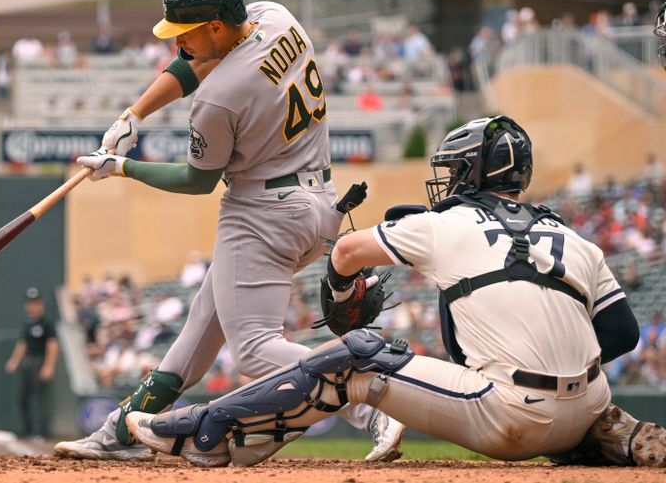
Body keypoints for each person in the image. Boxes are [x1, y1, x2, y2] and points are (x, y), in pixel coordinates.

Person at [126, 116, 665, 468]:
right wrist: (564, 375)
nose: (447, 181)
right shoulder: (574, 236)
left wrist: (339, 294)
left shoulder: (443, 224)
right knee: (561, 394)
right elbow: (622, 332)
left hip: (512, 418)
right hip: (590, 405)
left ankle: (206, 431)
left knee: (356, 358)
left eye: (455, 170)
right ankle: (601, 434)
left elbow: (344, 252)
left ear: (473, 172)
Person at [54, 0, 404, 462]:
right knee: (200, 328)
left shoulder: (218, 98)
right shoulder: (273, 17)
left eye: (185, 31)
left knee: (255, 351)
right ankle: (122, 432)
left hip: (261, 215)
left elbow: (198, 180)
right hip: (319, 204)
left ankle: (376, 403)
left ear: (217, 26)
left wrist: (122, 168)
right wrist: (134, 115)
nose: (178, 41)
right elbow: (193, 63)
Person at [5, 287, 59, 439]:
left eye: (35, 302)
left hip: (40, 360)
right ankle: (26, 430)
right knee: (23, 397)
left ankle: (41, 432)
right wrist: (14, 361)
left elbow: (52, 344)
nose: (33, 306)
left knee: (40, 399)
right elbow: (22, 344)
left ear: (40, 304)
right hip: (27, 362)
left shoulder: (46, 323)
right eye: (30, 303)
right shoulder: (27, 322)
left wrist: (48, 365)